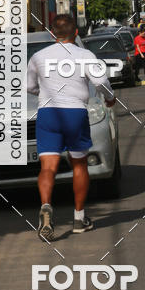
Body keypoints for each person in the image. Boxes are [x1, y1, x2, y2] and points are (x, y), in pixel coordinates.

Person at [26, 14, 116, 240]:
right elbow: (100, 82)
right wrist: (110, 97)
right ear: (76, 32)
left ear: (52, 34)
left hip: (48, 114)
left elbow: (29, 86)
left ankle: (46, 206)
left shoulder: (38, 57)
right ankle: (78, 218)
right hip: (75, 113)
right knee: (79, 164)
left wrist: (45, 93)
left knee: (47, 167)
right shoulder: (84, 55)